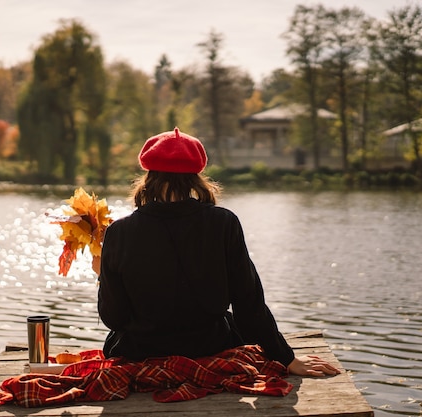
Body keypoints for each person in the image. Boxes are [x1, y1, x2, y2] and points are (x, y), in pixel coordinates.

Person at [97, 128, 339, 377]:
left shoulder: (119, 231)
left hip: (141, 350)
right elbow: (249, 305)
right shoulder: (224, 223)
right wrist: (286, 358)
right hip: (209, 346)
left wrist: (102, 277)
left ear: (149, 175)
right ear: (196, 175)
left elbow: (113, 318)